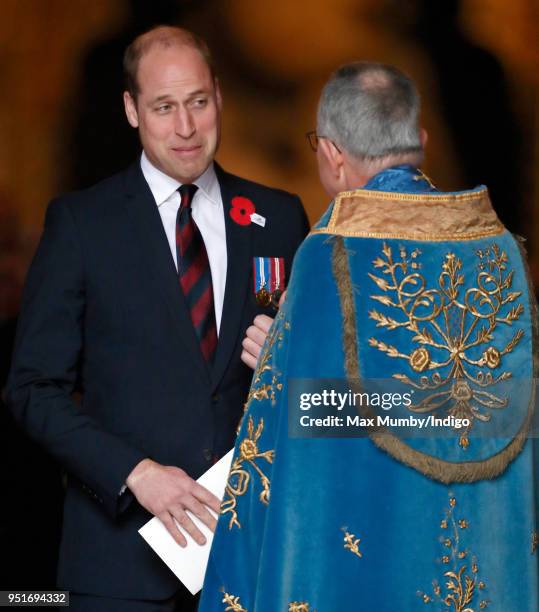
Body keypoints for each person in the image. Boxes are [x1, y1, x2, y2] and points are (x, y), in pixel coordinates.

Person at [199, 62, 538, 610]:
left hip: (376, 549)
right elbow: (472, 413)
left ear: (331, 152)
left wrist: (278, 375)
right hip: (481, 553)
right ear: (420, 141)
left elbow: (314, 425)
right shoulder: (502, 253)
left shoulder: (330, 252)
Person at [6, 26, 308, 611]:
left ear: (219, 96)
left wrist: (296, 359)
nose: (186, 127)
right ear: (131, 109)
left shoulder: (279, 217)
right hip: (119, 566)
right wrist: (134, 473)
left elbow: (328, 394)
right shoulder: (81, 224)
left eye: (197, 102)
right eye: (164, 107)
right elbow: (31, 389)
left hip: (253, 561)